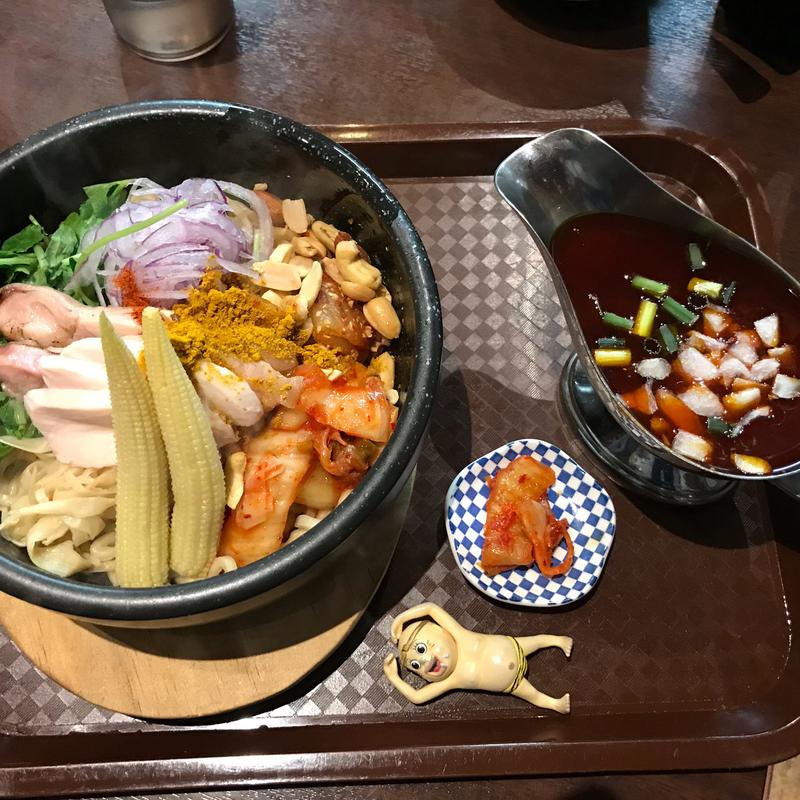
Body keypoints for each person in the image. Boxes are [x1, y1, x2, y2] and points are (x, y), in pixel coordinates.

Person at [383, 602, 572, 713]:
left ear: (441, 631)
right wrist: (393, 677)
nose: (425, 662)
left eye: (422, 649)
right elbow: (417, 696)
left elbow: (431, 608)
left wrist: (401, 619)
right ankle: (555, 704)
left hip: (516, 647)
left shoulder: (460, 635)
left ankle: (559, 641)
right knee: (534, 696)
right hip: (511, 685)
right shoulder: (451, 680)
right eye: (415, 665)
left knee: (538, 641)